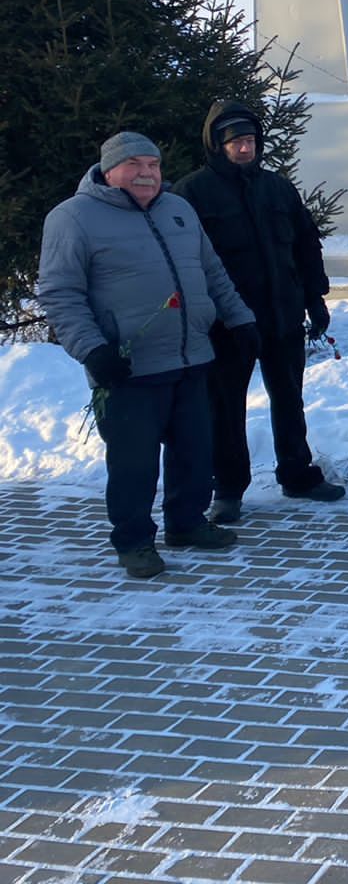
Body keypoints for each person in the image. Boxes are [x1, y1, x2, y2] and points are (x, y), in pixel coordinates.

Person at [38, 131, 258, 578]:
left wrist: (241, 319)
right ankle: (135, 540)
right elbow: (61, 294)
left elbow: (212, 271)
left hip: (191, 356)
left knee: (195, 451)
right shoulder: (73, 218)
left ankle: (187, 523)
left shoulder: (177, 209)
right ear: (109, 169)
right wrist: (92, 350)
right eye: (135, 164)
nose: (147, 173)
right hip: (127, 367)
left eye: (154, 165)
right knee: (134, 463)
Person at [173, 102, 344, 523]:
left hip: (283, 314)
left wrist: (315, 298)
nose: (245, 148)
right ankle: (228, 488)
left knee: (289, 399)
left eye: (250, 140)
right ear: (218, 145)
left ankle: (297, 473)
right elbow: (184, 262)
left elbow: (306, 244)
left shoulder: (277, 188)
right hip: (227, 324)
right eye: (235, 142)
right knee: (225, 407)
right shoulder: (192, 193)